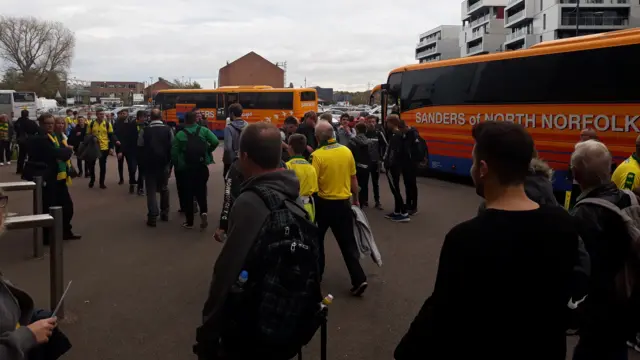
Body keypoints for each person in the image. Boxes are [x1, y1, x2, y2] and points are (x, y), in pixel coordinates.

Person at [394, 121, 584, 360]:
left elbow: (443, 314)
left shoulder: (466, 238)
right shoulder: (563, 222)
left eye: (473, 162)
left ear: (482, 168)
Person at [195, 122, 321, 360]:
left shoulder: (251, 202)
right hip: (283, 326)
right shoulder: (292, 195)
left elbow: (227, 271)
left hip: (251, 328)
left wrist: (207, 331)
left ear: (244, 156)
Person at [570, 139, 637, 360]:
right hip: (630, 296)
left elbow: (585, 270)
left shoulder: (583, 214)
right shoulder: (629, 197)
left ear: (576, 175)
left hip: (601, 308)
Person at [311, 120, 367, 296]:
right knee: (348, 243)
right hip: (343, 204)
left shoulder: (317, 156)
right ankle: (359, 278)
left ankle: (316, 277)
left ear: (318, 137)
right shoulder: (346, 151)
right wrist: (356, 201)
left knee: (317, 241)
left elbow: (313, 184)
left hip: (323, 205)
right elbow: (353, 179)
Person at [24, 114, 80, 241]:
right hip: (46, 178)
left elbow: (60, 152)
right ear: (41, 124)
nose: (50, 125)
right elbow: (55, 152)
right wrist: (67, 151)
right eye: (47, 123)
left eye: (52, 123)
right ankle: (46, 236)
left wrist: (64, 152)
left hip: (58, 177)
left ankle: (65, 231)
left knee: (67, 207)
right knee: (47, 207)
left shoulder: (54, 137)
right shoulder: (39, 138)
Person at [171, 110, 219, 229]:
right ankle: (204, 212)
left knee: (188, 194)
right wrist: (208, 151)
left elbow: (174, 153)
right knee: (201, 191)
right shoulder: (204, 131)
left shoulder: (180, 135)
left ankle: (189, 221)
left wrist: (177, 164)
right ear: (196, 120)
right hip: (201, 167)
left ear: (185, 121)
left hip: (186, 169)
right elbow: (215, 141)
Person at [137, 108, 173, 227]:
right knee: (164, 188)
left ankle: (152, 215)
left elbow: (140, 146)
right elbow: (172, 146)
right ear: (161, 117)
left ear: (150, 117)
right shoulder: (168, 129)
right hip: (164, 163)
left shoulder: (144, 130)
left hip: (149, 164)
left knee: (151, 190)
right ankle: (165, 213)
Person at [383, 115, 411, 222]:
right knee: (395, 188)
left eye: (387, 122)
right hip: (397, 165)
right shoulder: (399, 134)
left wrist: (387, 165)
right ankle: (397, 211)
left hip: (393, 167)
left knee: (395, 189)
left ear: (392, 123)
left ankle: (403, 213)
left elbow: (393, 153)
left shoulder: (396, 136)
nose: (386, 125)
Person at [286, 133, 318, 221]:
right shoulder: (311, 167)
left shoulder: (287, 166)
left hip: (293, 207)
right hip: (308, 207)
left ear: (290, 148)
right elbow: (314, 189)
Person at [86, 108, 119, 189]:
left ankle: (102, 183)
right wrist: (92, 138)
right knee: (91, 165)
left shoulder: (108, 124)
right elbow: (87, 135)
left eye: (103, 114)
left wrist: (112, 147)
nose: (102, 115)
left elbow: (111, 135)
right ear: (96, 115)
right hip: (94, 147)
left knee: (102, 166)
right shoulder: (91, 123)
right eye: (100, 114)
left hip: (104, 147)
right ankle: (92, 179)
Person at [364, 115, 387, 209]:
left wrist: (382, 159)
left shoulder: (379, 133)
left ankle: (377, 201)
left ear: (376, 123)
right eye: (369, 122)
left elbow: (385, 145)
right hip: (365, 162)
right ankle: (364, 201)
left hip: (375, 162)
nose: (371, 124)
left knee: (375, 182)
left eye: (373, 122)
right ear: (366, 123)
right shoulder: (364, 134)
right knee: (364, 183)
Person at [348, 123, 373, 208]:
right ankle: (363, 201)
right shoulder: (369, 141)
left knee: (355, 184)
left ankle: (356, 201)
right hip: (366, 165)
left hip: (356, 165)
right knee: (365, 184)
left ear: (357, 130)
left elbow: (349, 152)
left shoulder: (353, 141)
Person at [222, 103, 247, 178]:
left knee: (229, 182)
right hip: (244, 160)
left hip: (231, 162)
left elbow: (228, 148)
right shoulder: (247, 125)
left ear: (232, 113)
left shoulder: (228, 128)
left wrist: (226, 160)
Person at [13, 110, 38, 174]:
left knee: (21, 156)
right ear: (27, 114)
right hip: (30, 140)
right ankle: (30, 169)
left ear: (21, 114)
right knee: (31, 155)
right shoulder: (31, 122)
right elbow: (36, 129)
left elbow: (15, 129)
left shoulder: (18, 122)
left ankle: (19, 170)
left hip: (21, 141)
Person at [113, 108, 130, 186]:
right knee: (120, 164)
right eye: (122, 113)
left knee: (130, 164)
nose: (123, 115)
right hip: (119, 146)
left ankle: (131, 178)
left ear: (127, 114)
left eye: (125, 113)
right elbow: (114, 133)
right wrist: (116, 140)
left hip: (128, 147)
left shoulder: (131, 123)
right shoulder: (117, 123)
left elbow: (130, 137)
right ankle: (121, 179)